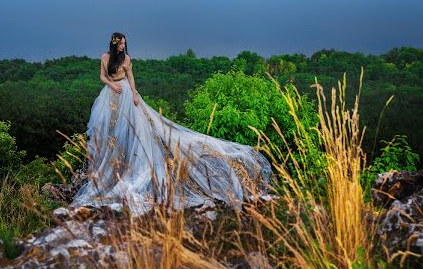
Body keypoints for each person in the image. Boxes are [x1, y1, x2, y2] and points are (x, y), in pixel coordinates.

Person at [70, 32, 273, 214]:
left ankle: (132, 156)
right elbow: (102, 77)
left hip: (126, 94)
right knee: (110, 126)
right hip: (111, 94)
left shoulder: (127, 58)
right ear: (114, 44)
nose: (123, 46)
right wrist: (112, 85)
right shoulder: (105, 57)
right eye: (121, 43)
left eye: (124, 43)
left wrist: (134, 95)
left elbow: (132, 79)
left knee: (136, 126)